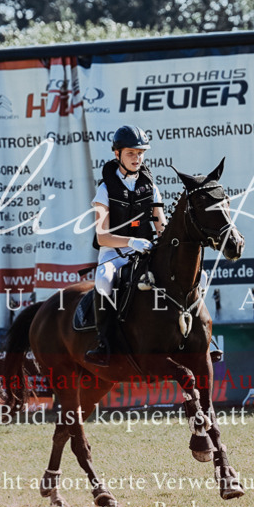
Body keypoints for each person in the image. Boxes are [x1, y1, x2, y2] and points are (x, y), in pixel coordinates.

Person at [85, 125, 167, 366]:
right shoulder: (104, 189)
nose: (137, 158)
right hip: (115, 253)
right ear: (117, 154)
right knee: (103, 279)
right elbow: (102, 237)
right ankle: (103, 343)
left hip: (145, 253)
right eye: (131, 153)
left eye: (140, 153)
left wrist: (162, 243)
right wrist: (131, 241)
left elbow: (160, 225)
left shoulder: (151, 186)